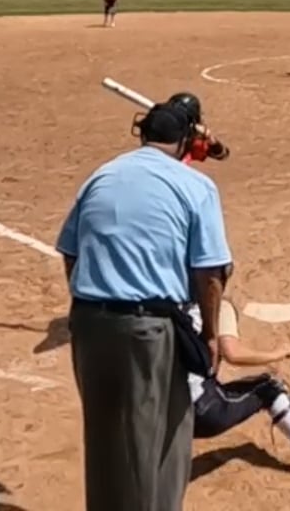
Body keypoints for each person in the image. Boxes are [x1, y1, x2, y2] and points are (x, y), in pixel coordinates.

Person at [56, 94, 233, 511]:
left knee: (129, 438)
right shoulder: (195, 185)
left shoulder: (101, 175)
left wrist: (93, 307)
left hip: (89, 324)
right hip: (146, 333)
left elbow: (70, 252)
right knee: (141, 449)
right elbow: (210, 272)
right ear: (185, 140)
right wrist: (210, 333)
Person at [188, 273, 290, 478]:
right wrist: (277, 353)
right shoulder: (216, 305)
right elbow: (232, 353)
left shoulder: (164, 310)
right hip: (201, 411)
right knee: (271, 386)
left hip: (159, 415)